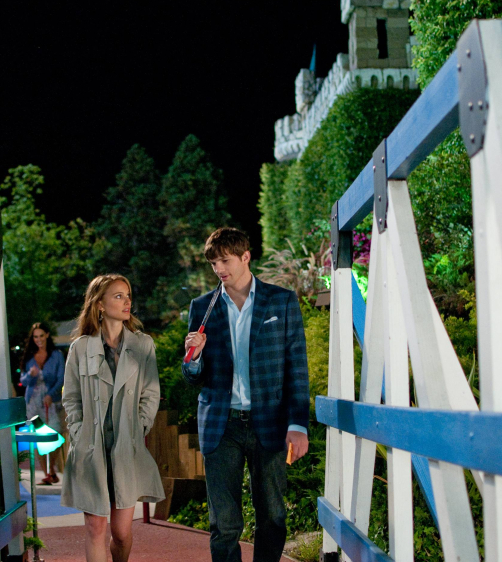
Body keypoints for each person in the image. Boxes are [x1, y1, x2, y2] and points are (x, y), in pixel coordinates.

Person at [183, 227, 310, 562]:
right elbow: (193, 376)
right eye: (213, 263)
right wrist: (193, 358)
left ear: (245, 257)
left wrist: (298, 424)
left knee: (273, 516)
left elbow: (297, 367)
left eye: (225, 261)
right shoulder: (202, 307)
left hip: (269, 421)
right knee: (224, 524)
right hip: (221, 425)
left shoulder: (281, 301)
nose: (219, 269)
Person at [61, 274, 165, 562]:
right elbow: (71, 397)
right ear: (100, 304)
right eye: (118, 296)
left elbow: (151, 393)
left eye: (128, 295)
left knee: (120, 533)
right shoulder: (80, 348)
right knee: (95, 528)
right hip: (91, 448)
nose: (127, 301)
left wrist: (139, 426)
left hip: (126, 448)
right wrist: (78, 431)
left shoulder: (143, 345)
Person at [19, 321, 66, 484]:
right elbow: (23, 381)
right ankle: (48, 473)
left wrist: (51, 395)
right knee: (39, 438)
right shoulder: (29, 356)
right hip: (33, 403)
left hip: (51, 402)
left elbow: (61, 378)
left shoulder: (57, 355)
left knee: (56, 434)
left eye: (41, 336)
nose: (38, 339)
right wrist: (30, 375)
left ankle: (51, 468)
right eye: (35, 337)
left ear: (47, 335)